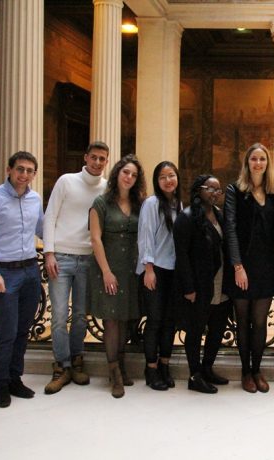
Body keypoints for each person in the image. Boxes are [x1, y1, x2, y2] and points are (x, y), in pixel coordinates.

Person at [0, 151, 44, 408]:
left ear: (34, 174)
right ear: (9, 170)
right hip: (5, 273)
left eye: (29, 171)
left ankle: (15, 378)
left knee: (23, 330)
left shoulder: (35, 199)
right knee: (6, 332)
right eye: (20, 169)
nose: (24, 175)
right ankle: (0, 383)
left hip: (30, 272)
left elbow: (42, 229)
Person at [43, 141, 109, 395]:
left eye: (102, 159)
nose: (97, 162)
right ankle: (62, 366)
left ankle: (77, 360)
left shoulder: (106, 188)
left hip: (88, 259)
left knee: (81, 315)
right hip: (61, 256)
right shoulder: (66, 181)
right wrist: (49, 252)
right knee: (59, 316)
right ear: (85, 157)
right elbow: (50, 216)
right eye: (94, 157)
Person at [87, 155, 146, 398]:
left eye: (133, 174)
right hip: (108, 268)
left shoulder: (140, 203)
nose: (129, 177)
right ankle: (114, 373)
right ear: (117, 174)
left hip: (131, 270)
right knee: (111, 320)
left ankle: (120, 364)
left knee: (124, 319)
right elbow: (95, 238)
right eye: (125, 172)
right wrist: (106, 272)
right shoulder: (101, 203)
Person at [224, 143, 274, 393]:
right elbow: (230, 230)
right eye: (254, 159)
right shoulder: (235, 191)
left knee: (260, 322)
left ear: (267, 163)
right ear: (247, 163)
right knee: (243, 321)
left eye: (262, 159)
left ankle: (257, 369)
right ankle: (245, 372)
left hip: (265, 265)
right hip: (241, 267)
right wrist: (237, 266)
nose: (258, 163)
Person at [173, 175, 232, 394]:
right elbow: (182, 257)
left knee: (217, 329)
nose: (216, 193)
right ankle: (194, 375)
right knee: (196, 330)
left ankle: (207, 368)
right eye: (211, 189)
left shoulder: (218, 215)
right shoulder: (187, 218)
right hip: (199, 285)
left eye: (219, 190)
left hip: (221, 283)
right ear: (199, 190)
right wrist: (189, 288)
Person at [137, 161, 182, 391]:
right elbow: (145, 237)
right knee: (154, 321)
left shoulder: (179, 204)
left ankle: (165, 365)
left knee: (169, 322)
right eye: (163, 177)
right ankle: (151, 368)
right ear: (157, 180)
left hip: (174, 271)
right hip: (154, 270)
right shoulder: (151, 204)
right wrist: (149, 269)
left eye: (171, 175)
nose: (168, 180)